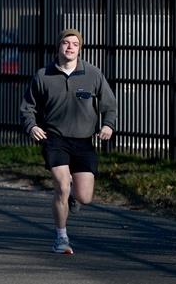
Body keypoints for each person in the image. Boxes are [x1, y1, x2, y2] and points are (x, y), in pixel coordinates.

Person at [20, 28, 118, 254]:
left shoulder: (92, 73)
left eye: (75, 43)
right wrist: (32, 126)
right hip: (55, 139)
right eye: (66, 43)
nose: (70, 47)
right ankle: (61, 238)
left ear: (80, 48)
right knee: (62, 188)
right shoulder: (44, 75)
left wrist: (108, 124)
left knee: (84, 197)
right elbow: (28, 108)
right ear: (59, 46)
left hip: (84, 140)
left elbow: (109, 104)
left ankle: (74, 196)